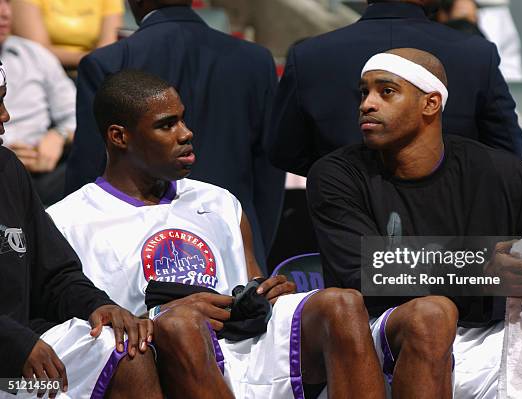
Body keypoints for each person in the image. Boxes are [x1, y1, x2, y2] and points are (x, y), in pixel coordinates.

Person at [48, 69, 387, 399]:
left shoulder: (219, 201)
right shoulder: (66, 221)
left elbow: (253, 284)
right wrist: (163, 315)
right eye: (167, 125)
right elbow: (83, 337)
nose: (186, 133)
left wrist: (268, 290)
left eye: (182, 119)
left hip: (243, 346)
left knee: (342, 303)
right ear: (120, 136)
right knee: (181, 324)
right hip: (158, 359)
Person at [307, 48, 522, 398]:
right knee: (433, 314)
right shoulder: (336, 174)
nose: (367, 104)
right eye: (364, 92)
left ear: (431, 104)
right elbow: (364, 268)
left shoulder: (494, 168)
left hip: (494, 335)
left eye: (385, 91)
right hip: (383, 333)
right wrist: (482, 269)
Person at [65, 0, 284, 269]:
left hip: (132, 255)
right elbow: (270, 174)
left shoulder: (108, 62)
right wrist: (254, 246)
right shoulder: (256, 60)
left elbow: (88, 170)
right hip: (234, 246)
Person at [0, 64, 160, 398]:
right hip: (12, 351)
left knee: (127, 347)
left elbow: (56, 274)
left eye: (4, 101)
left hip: (18, 358)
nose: (6, 116)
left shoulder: (7, 169)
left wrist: (98, 306)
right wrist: (16, 343)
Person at [268, 0, 522, 178]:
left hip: (345, 227)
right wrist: (454, 182)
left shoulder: (309, 56)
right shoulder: (476, 53)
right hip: (449, 231)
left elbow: (284, 151)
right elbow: (507, 149)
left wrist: (341, 178)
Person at [0, 0, 75, 206]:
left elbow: (75, 112)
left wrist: (58, 136)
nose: (4, 12)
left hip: (43, 171)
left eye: (6, 2)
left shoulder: (34, 54)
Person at [11, 0, 124, 70]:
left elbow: (108, 47)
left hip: (89, 69)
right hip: (39, 70)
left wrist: (94, 61)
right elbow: (36, 50)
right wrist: (89, 60)